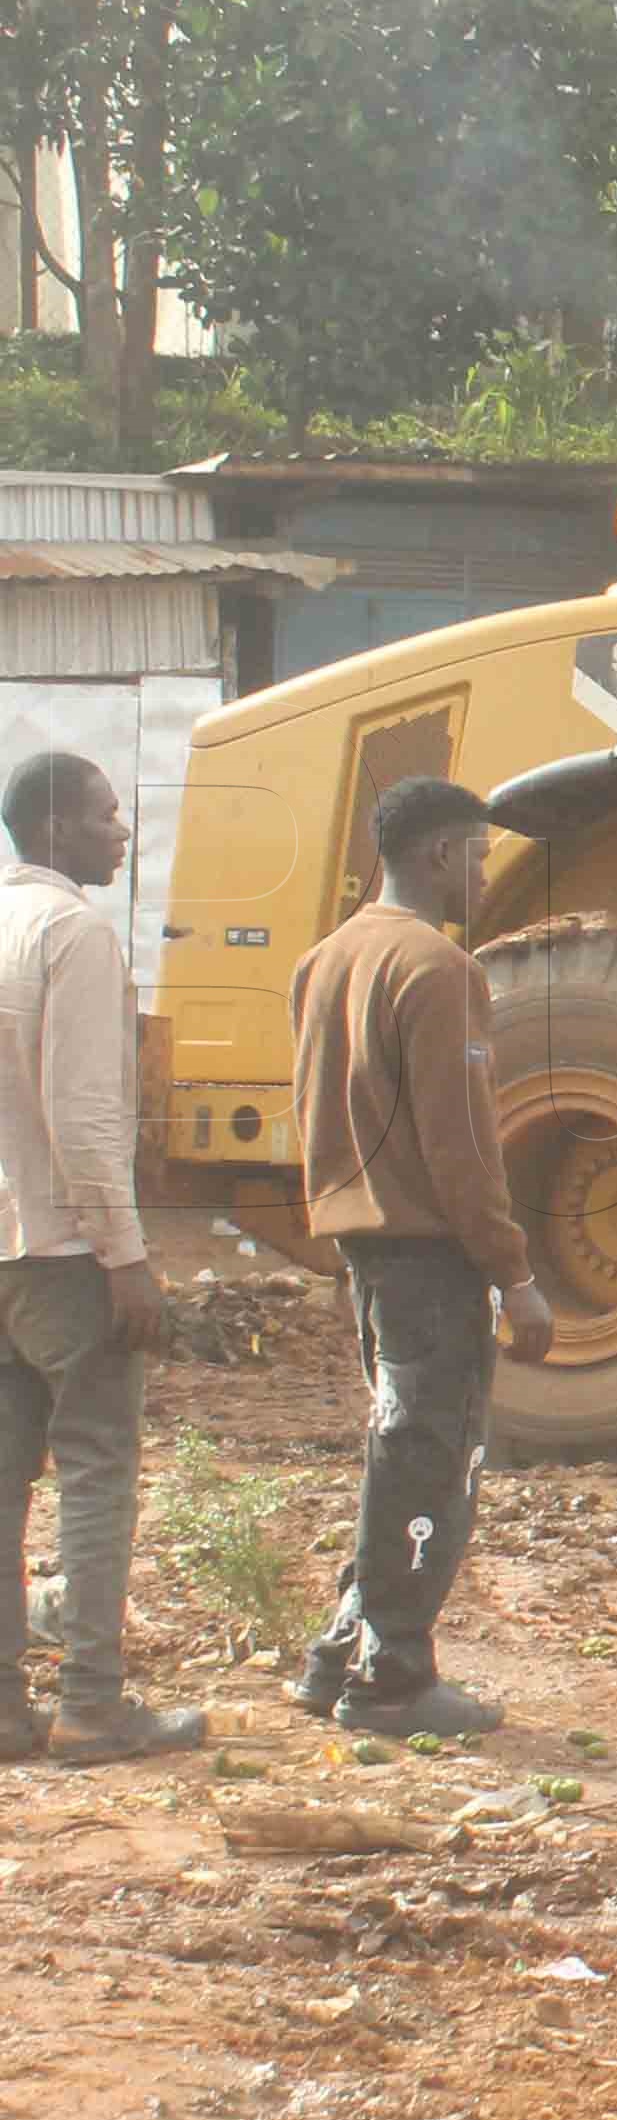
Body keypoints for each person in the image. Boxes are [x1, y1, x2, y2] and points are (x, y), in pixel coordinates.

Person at [287, 777, 554, 1739]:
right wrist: (514, 1273)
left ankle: (338, 1657)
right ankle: (392, 1678)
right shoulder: (440, 969)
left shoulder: (323, 961)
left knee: (399, 1452)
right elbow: (462, 1144)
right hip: (434, 1262)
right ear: (441, 853)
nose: (486, 872)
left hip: (366, 1252)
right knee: (433, 1468)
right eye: (479, 854)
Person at [0, 751, 202, 1763]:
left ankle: (5, 1712)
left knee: (5, 1485)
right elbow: (81, 1119)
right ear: (55, 828)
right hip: (66, 1253)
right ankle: (90, 1704)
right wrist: (125, 1257)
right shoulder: (71, 932)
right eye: (106, 814)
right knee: (95, 1471)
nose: (122, 831)